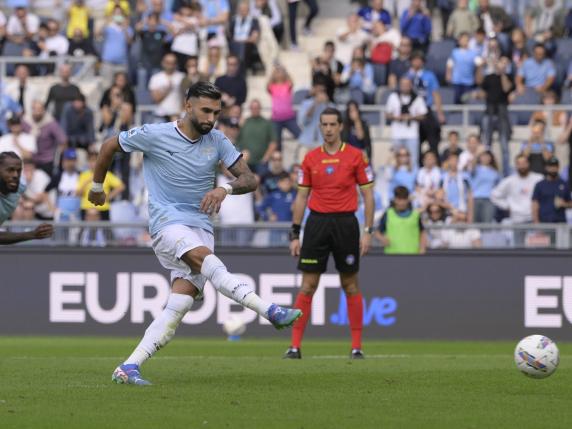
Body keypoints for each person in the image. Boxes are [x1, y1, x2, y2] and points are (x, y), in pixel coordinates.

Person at [88, 82, 301, 385]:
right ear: (187, 106)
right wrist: (97, 187)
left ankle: (128, 367)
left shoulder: (217, 140)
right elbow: (109, 145)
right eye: (205, 110)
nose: (211, 118)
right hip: (167, 224)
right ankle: (269, 310)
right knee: (209, 261)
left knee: (180, 305)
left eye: (215, 112)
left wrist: (224, 187)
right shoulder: (155, 134)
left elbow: (250, 179)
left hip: (200, 226)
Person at [285, 107, 374, 360]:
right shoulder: (310, 158)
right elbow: (301, 197)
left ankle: (357, 346)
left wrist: (368, 231)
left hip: (346, 224)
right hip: (317, 225)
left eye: (332, 124)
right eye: (323, 125)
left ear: (341, 126)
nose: (328, 129)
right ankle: (294, 346)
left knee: (350, 284)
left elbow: (368, 195)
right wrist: (295, 233)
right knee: (308, 285)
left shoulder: (356, 156)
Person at [0, 151, 53, 244]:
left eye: (19, 170)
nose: (16, 175)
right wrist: (32, 235)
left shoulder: (21, 185)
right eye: (10, 170)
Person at [478, 54, 513, 176]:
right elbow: (481, 89)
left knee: (504, 146)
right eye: (500, 63)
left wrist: (502, 73)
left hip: (502, 113)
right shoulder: (489, 77)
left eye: (504, 63)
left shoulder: (508, 77)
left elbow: (506, 89)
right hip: (489, 112)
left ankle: (506, 173)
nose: (501, 65)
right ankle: (485, 170)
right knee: (487, 144)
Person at [407, 51, 444, 158]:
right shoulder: (407, 76)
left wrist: (440, 113)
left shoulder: (429, 75)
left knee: (433, 136)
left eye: (419, 59)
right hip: (412, 111)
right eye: (414, 59)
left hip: (426, 110)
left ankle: (435, 160)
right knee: (415, 141)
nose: (417, 62)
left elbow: (435, 94)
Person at [385, 76, 427, 168]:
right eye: (403, 84)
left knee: (413, 160)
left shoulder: (417, 98)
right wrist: (397, 117)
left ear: (411, 85)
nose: (405, 86)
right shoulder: (393, 97)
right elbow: (387, 114)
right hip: (397, 134)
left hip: (412, 135)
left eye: (407, 84)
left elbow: (423, 115)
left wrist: (411, 117)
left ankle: (413, 181)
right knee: (395, 159)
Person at [490, 154, 543, 224]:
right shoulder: (509, 181)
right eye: (519, 164)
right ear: (516, 166)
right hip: (516, 220)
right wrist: (507, 206)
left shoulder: (539, 178)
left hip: (533, 219)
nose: (522, 166)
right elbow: (494, 195)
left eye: (524, 163)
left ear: (528, 164)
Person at [375, 186, 426, 254]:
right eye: (399, 199)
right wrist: (382, 238)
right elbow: (377, 232)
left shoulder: (415, 215)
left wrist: (422, 248)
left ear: (408, 199)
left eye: (404, 199)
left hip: (413, 256)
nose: (401, 202)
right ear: (395, 199)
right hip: (392, 256)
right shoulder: (388, 214)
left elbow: (422, 232)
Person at [23, 100, 67, 177]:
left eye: (40, 109)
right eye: (35, 109)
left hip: (46, 160)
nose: (37, 112)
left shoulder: (50, 123)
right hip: (30, 160)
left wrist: (59, 157)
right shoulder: (26, 121)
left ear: (44, 110)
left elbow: (63, 140)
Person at [236, 99, 278, 173]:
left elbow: (273, 142)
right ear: (250, 109)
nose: (255, 110)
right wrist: (238, 126)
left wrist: (266, 158)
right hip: (245, 162)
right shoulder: (245, 122)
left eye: (257, 107)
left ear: (260, 108)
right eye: (253, 108)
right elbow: (235, 139)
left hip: (260, 162)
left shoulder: (266, 123)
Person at [267, 64, 300, 150]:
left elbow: (291, 82)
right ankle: (278, 161)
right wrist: (273, 72)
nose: (279, 74)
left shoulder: (287, 85)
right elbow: (268, 85)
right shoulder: (272, 87)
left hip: (289, 117)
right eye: (277, 72)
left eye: (281, 72)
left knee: (300, 135)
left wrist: (285, 70)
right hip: (276, 119)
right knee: (277, 144)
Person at [532, 157, 572, 223]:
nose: (553, 168)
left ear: (558, 167)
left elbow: (570, 203)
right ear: (546, 167)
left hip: (560, 222)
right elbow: (535, 205)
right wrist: (537, 224)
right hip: (544, 222)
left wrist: (564, 204)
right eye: (551, 166)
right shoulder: (540, 185)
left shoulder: (564, 184)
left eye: (555, 166)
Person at [446, 32, 481, 104]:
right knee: (457, 100)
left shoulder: (474, 53)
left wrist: (477, 76)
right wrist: (448, 74)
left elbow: (479, 65)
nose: (465, 41)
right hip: (457, 81)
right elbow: (450, 64)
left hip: (468, 82)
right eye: (463, 39)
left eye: (466, 39)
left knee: (466, 100)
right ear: (459, 41)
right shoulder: (454, 52)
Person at [149, 53, 186, 122]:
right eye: (168, 62)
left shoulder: (182, 77)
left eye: (173, 63)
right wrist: (168, 89)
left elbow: (185, 98)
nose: (170, 65)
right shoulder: (156, 78)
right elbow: (155, 98)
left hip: (177, 116)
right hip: (160, 116)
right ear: (163, 63)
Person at [469, 150, 500, 223]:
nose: (485, 158)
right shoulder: (476, 169)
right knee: (475, 224)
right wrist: (478, 151)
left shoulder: (495, 172)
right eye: (483, 156)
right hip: (475, 199)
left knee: (487, 224)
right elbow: (472, 165)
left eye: (487, 156)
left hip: (489, 200)